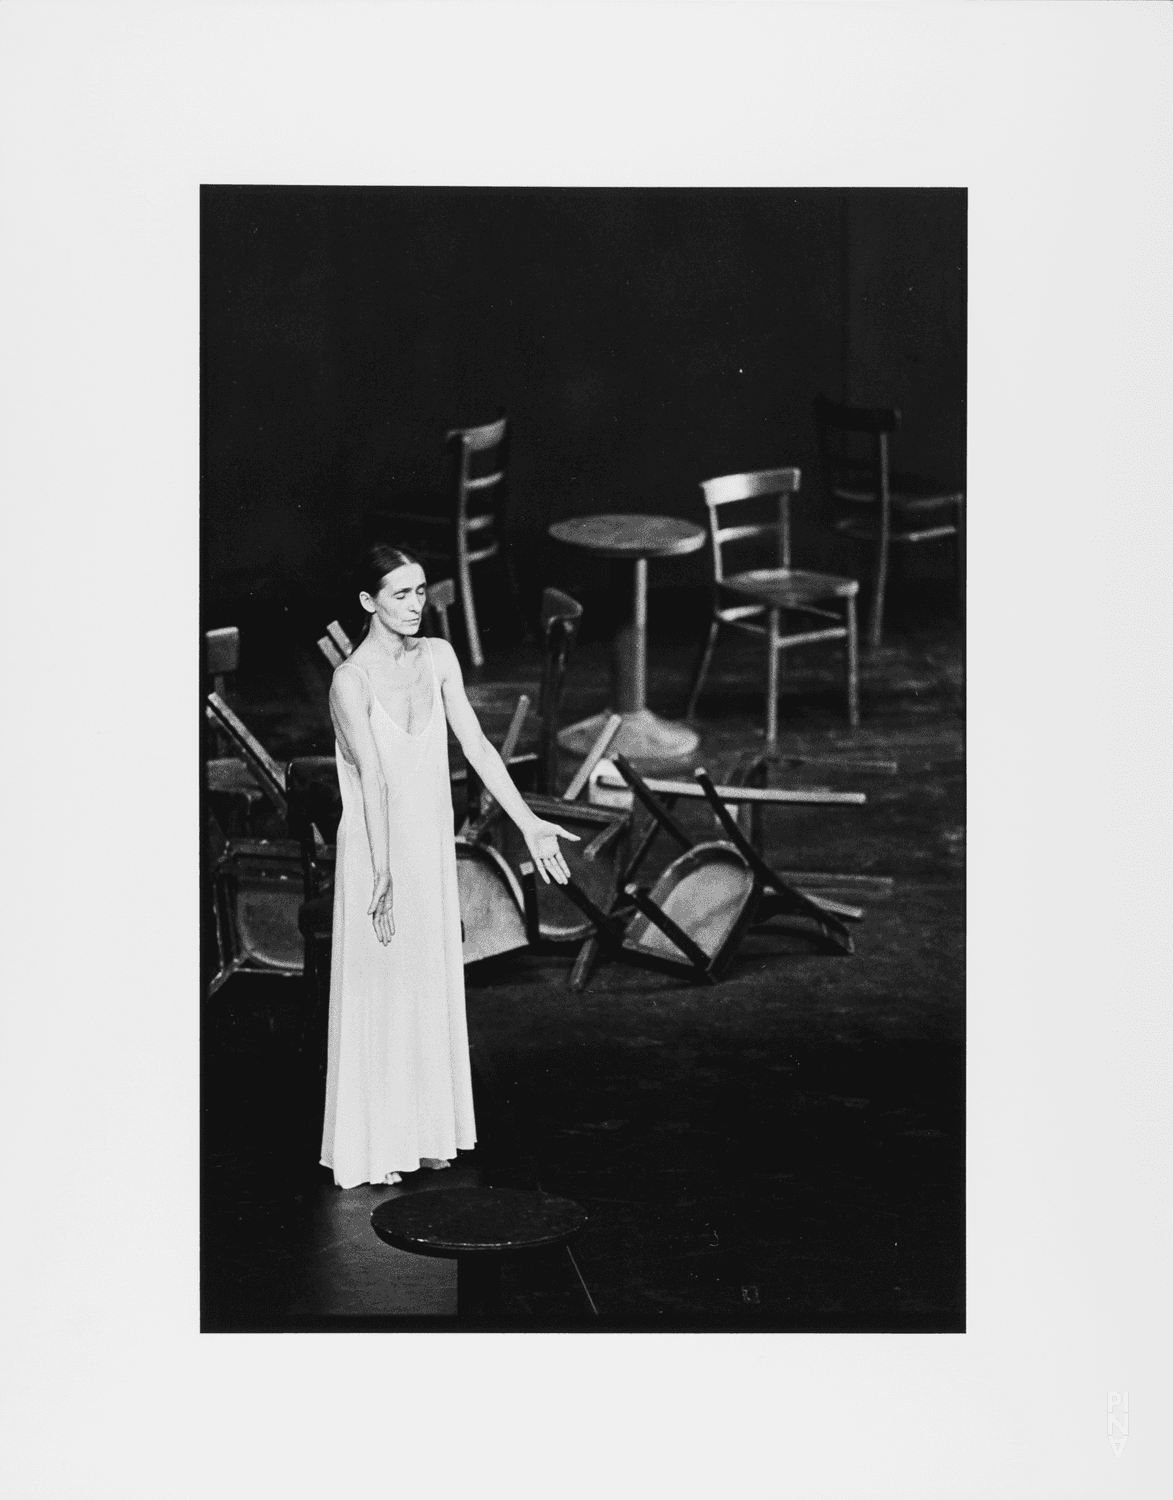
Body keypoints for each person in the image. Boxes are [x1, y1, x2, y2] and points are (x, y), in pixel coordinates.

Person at [320, 543, 578, 1189]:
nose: (414, 606)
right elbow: (374, 779)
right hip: (377, 850)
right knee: (382, 988)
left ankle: (426, 1136)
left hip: (427, 846)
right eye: (399, 594)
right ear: (367, 601)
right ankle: (376, 1144)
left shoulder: (438, 657)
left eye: (419, 592)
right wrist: (380, 873)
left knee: (425, 983)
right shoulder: (350, 681)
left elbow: (478, 746)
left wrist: (528, 821)